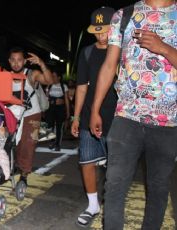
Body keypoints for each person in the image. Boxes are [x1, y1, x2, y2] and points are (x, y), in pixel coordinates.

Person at [89, 1, 177, 229]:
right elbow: (109, 66)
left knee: (158, 189)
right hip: (126, 117)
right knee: (114, 186)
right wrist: (95, 108)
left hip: (169, 122)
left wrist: (165, 49)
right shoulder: (125, 15)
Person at [70, 7, 117, 228]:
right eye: (97, 32)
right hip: (90, 116)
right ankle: (92, 205)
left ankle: (113, 206)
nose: (101, 36)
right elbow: (80, 87)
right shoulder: (87, 53)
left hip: (119, 118)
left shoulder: (124, 51)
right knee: (87, 162)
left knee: (116, 166)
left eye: (105, 31)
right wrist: (76, 117)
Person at [7, 47, 53, 185]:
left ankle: (24, 174)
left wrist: (41, 63)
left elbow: (49, 81)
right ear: (9, 61)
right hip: (13, 114)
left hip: (32, 114)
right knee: (14, 143)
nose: (16, 63)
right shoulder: (5, 76)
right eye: (13, 60)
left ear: (24, 61)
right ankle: (16, 164)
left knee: (28, 144)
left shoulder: (31, 74)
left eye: (19, 60)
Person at [46, 68, 70, 151]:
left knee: (59, 127)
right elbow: (46, 98)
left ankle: (57, 144)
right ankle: (52, 142)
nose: (52, 77)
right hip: (51, 108)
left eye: (54, 76)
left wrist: (68, 112)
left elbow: (66, 100)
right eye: (52, 76)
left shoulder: (64, 86)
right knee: (50, 127)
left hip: (60, 109)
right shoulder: (49, 85)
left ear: (59, 77)